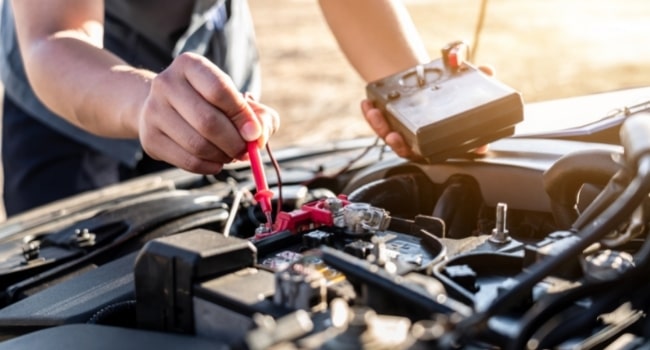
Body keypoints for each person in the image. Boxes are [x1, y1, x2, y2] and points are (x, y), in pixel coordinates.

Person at [0, 0, 430, 217]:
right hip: (70, 105)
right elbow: (52, 33)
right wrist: (145, 99)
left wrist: (429, 103)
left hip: (215, 95)